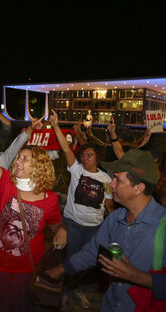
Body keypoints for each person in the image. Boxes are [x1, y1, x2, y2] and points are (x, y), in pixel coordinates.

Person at [46, 149, 166, 312]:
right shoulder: (115, 219)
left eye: (117, 180)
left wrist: (136, 276)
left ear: (139, 188)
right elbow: (91, 253)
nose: (111, 184)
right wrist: (58, 271)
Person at [0, 111, 67, 312]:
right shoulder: (6, 185)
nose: (17, 160)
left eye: (24, 158)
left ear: (38, 167)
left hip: (25, 271)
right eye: (18, 157)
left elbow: (56, 225)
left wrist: (62, 231)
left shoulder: (50, 200)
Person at [49, 109, 114, 300]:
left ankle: (78, 287)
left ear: (98, 158)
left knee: (89, 260)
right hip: (74, 223)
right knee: (73, 257)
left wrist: (111, 225)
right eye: (83, 155)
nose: (84, 158)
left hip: (94, 227)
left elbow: (109, 205)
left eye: (89, 155)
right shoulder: (76, 170)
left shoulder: (105, 179)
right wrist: (55, 125)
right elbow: (67, 149)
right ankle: (68, 290)